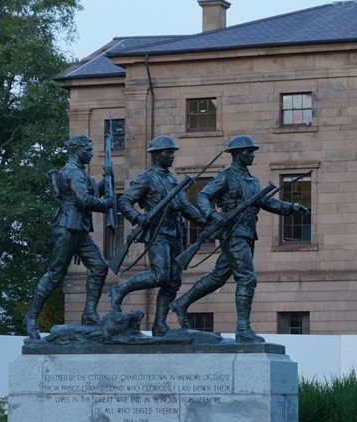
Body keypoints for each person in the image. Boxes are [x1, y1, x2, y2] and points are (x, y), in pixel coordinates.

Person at [168, 135, 310, 342]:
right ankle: (243, 329)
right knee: (247, 278)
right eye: (248, 151)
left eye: (252, 151)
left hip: (246, 234)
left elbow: (267, 202)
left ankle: (181, 303)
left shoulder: (253, 181)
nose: (252, 155)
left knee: (218, 276)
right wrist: (214, 215)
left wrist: (292, 208)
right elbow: (202, 196)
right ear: (236, 154)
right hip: (233, 234)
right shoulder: (225, 176)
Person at [108, 135, 207, 337]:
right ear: (155, 155)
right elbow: (125, 201)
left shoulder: (172, 179)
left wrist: (208, 222)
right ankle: (120, 289)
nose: (171, 156)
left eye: (173, 152)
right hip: (158, 234)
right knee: (159, 275)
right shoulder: (146, 178)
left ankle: (159, 325)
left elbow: (185, 207)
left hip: (176, 234)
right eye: (167, 152)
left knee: (172, 282)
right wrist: (137, 217)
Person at [24, 134, 114, 340]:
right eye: (88, 149)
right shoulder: (73, 171)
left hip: (79, 229)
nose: (91, 153)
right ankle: (31, 317)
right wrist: (107, 202)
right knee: (56, 273)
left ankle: (89, 313)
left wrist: (106, 181)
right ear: (76, 150)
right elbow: (83, 200)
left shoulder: (79, 172)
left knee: (100, 267)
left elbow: (89, 194)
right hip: (66, 227)